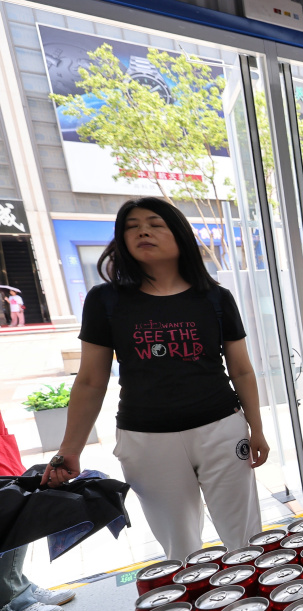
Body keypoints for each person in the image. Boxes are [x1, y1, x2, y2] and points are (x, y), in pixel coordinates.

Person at [42, 197, 266, 560]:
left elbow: (241, 369)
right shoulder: (106, 300)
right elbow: (90, 381)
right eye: (132, 227)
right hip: (146, 439)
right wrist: (70, 449)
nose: (142, 231)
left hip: (221, 430)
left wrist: (257, 429)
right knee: (180, 549)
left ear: (180, 235)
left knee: (247, 540)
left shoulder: (216, 298)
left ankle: (254, 593)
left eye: (154, 224)